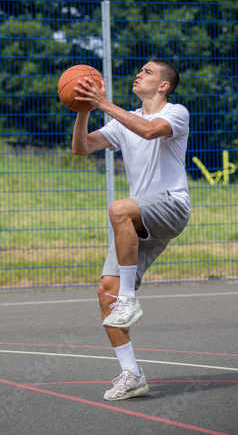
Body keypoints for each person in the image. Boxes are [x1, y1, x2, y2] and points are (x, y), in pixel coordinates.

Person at [72, 59, 191, 401]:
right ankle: (132, 374)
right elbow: (81, 148)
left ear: (164, 85)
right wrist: (83, 109)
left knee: (119, 208)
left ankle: (129, 298)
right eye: (140, 70)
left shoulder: (175, 112)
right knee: (105, 293)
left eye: (148, 72)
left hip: (170, 205)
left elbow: (149, 130)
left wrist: (103, 104)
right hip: (139, 219)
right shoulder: (121, 121)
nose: (139, 74)